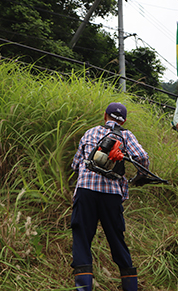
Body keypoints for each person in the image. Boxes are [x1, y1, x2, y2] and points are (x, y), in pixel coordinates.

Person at [70, 102, 149, 291]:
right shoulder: (126, 135)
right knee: (116, 239)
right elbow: (143, 158)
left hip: (86, 191)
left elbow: (75, 164)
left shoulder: (90, 133)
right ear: (124, 120)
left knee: (81, 238)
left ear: (105, 116)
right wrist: (139, 177)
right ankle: (130, 287)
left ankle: (83, 288)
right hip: (111, 196)